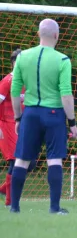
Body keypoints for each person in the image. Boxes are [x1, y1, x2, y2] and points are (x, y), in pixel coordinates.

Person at [9, 19, 77, 214]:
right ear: (57, 35)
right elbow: (66, 93)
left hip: (30, 113)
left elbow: (15, 90)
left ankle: (14, 207)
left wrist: (17, 118)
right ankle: (54, 207)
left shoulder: (22, 57)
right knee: (54, 159)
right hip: (54, 114)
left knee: (21, 160)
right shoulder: (63, 60)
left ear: (38, 34)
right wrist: (72, 122)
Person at [0, 49, 33, 207]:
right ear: (14, 62)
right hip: (7, 125)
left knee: (30, 162)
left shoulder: (27, 81)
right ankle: (9, 201)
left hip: (22, 126)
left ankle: (5, 190)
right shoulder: (8, 81)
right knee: (16, 161)